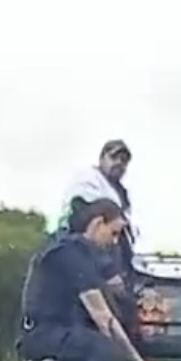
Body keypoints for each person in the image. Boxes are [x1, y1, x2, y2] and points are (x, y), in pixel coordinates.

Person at [18, 197, 163, 361]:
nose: (115, 242)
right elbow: (103, 317)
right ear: (97, 224)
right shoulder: (69, 253)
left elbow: (109, 312)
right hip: (44, 334)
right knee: (111, 354)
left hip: (63, 331)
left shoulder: (84, 255)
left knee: (115, 350)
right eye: (113, 233)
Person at [56, 140, 138, 333]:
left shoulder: (120, 193)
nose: (119, 163)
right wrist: (108, 270)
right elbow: (87, 233)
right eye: (114, 157)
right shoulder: (87, 184)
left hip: (114, 267)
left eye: (124, 160)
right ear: (102, 158)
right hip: (90, 268)